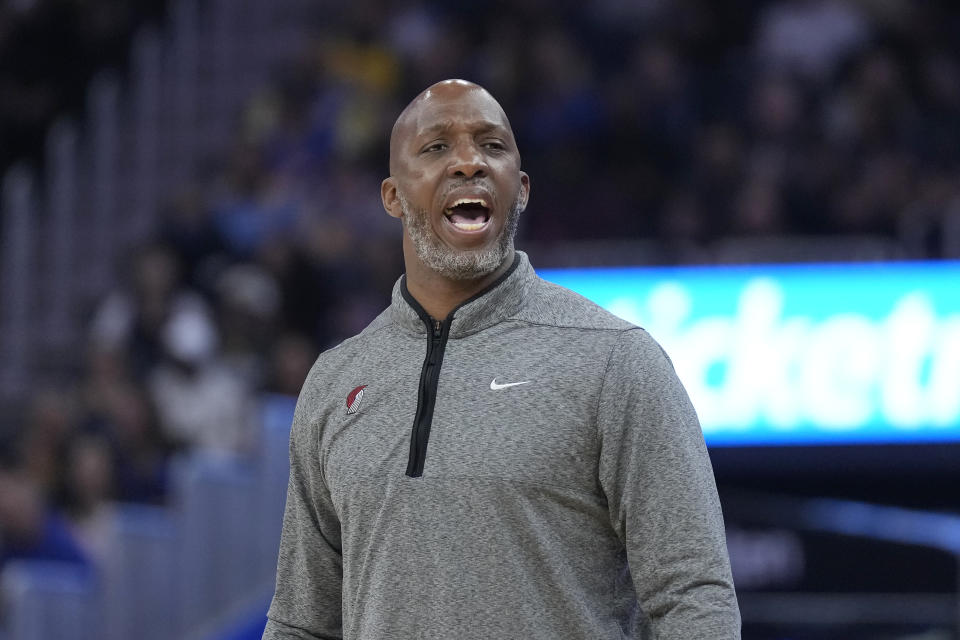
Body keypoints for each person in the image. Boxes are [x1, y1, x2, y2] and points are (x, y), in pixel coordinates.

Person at [263, 79, 740, 639]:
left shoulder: (615, 360)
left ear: (523, 188)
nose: (469, 162)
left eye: (492, 146)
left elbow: (693, 596)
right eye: (437, 147)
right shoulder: (336, 381)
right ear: (392, 196)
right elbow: (302, 621)